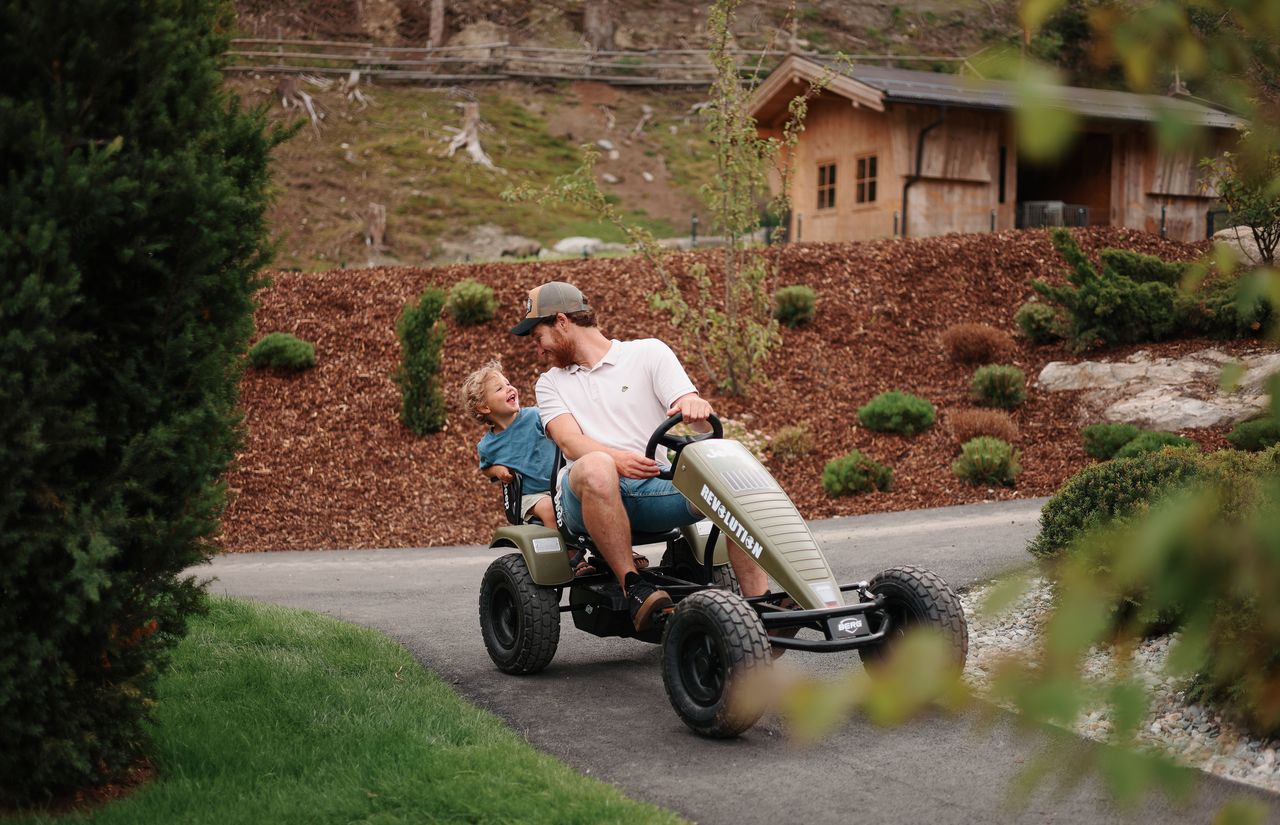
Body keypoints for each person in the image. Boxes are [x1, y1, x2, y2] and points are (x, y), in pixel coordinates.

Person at [510, 281, 768, 631]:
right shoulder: (550, 383)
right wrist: (616, 459)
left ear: (561, 321)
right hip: (582, 499)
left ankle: (761, 611)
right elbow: (570, 443)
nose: (537, 351)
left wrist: (694, 404)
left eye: (537, 337)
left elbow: (691, 407)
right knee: (597, 465)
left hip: (652, 488)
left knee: (733, 483)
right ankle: (634, 586)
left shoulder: (649, 353)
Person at [459, 360, 557, 528]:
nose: (509, 388)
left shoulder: (535, 416)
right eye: (499, 389)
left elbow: (560, 431)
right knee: (549, 509)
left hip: (559, 485)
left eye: (508, 383)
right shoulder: (487, 446)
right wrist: (497, 470)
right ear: (484, 408)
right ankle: (563, 554)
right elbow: (486, 469)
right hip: (529, 496)